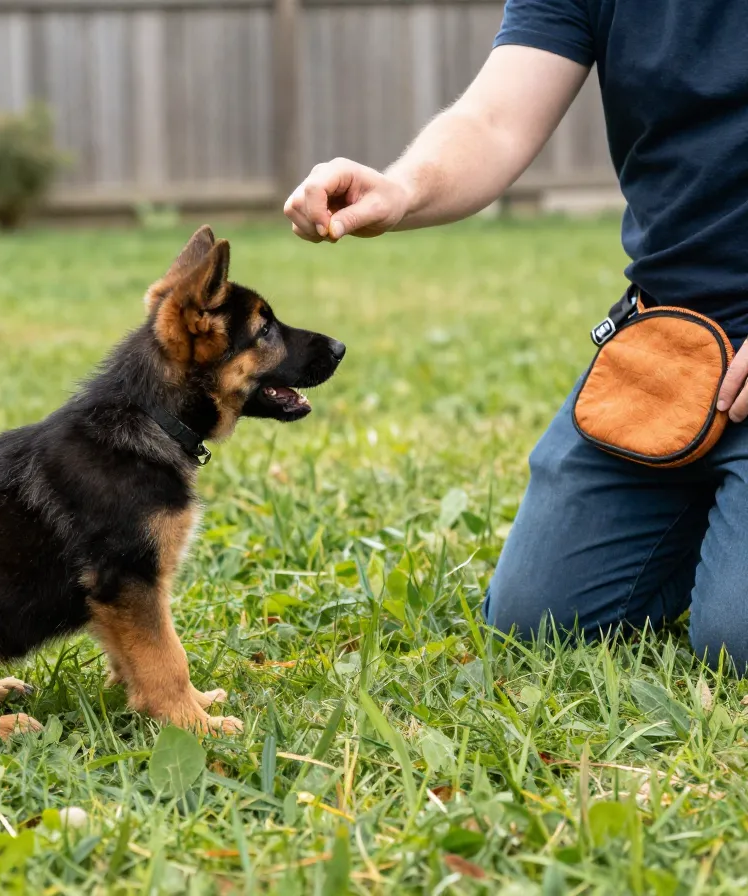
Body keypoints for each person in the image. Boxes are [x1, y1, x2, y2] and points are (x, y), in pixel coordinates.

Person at [283, 0, 748, 669]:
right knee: (534, 623)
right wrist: (401, 188)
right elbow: (493, 121)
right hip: (666, 349)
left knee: (735, 639)